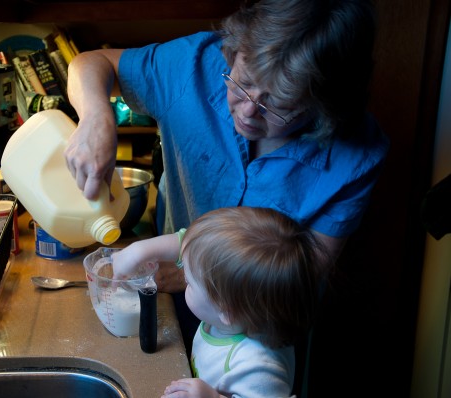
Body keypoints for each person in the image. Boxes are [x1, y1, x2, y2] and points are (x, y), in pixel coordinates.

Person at [65, 0, 389, 347]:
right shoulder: (194, 65)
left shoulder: (356, 155)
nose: (249, 111)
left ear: (324, 106)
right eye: (243, 82)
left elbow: (297, 286)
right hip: (166, 306)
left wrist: (192, 274)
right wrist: (96, 115)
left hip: (251, 337)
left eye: (280, 105)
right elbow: (91, 63)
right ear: (234, 52)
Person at [112, 207, 326, 397]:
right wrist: (138, 251)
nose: (183, 276)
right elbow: (188, 246)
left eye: (189, 281)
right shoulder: (234, 317)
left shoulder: (258, 368)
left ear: (226, 310)